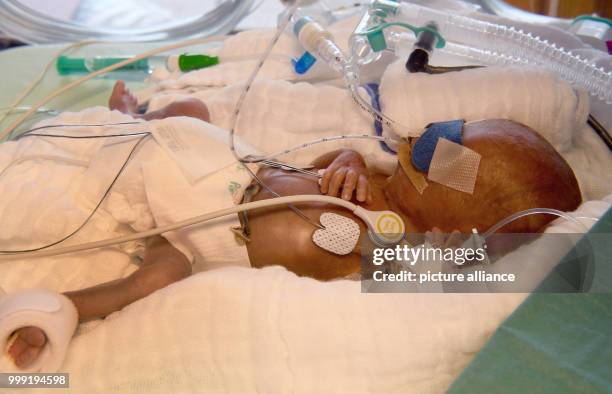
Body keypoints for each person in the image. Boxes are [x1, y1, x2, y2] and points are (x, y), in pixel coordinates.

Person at [7, 81, 581, 368]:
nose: (428, 135)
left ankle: (60, 308)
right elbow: (318, 162)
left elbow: (437, 275)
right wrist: (348, 160)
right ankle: (140, 116)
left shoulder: (397, 251)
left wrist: (463, 257)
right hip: (229, 170)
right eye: (448, 128)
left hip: (204, 237)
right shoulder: (378, 180)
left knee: (154, 280)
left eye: (441, 147)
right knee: (193, 115)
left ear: (463, 224)